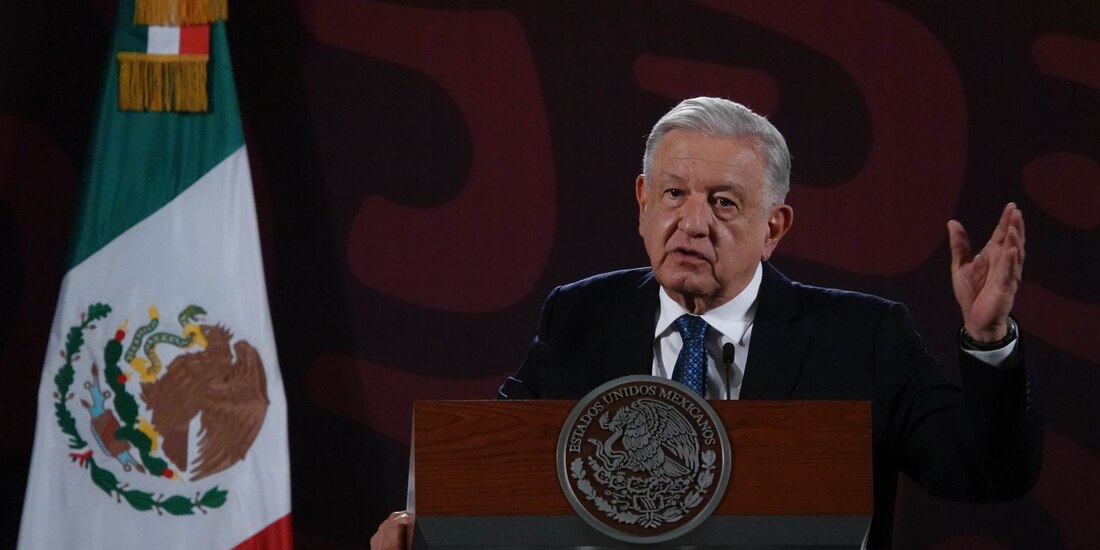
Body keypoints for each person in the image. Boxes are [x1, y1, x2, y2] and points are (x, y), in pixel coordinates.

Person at [371, 97, 1042, 549]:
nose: (692, 223)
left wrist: (988, 342)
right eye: (673, 194)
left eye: (723, 203)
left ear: (773, 227)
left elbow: (987, 471)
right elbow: (496, 474)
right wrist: (422, 527)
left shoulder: (862, 338)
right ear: (642, 202)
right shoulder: (580, 317)